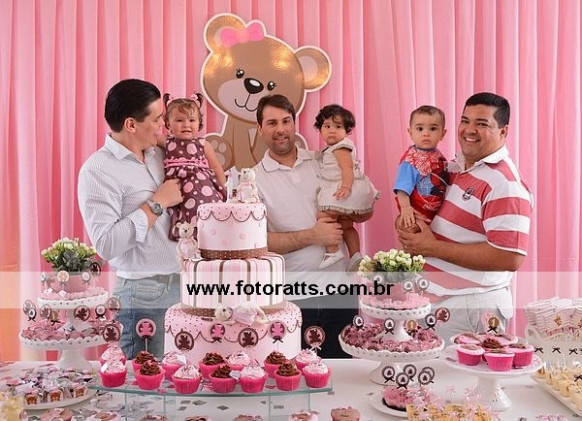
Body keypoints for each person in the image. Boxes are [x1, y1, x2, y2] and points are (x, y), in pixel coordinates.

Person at [397, 92, 533, 341]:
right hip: (437, 303)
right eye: (465, 121)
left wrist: (430, 247)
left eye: (482, 123)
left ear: (503, 131)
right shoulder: (454, 167)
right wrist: (408, 225)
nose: (469, 130)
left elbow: (510, 256)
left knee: (459, 369)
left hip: (469, 307)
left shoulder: (504, 183)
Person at [253, 94, 373, 358]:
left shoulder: (324, 160)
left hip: (341, 294)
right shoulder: (253, 180)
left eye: (286, 121)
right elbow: (256, 244)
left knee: (345, 371)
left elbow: (363, 210)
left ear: (295, 124)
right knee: (294, 374)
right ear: (260, 128)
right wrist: (313, 236)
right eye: (272, 123)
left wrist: (360, 205)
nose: (281, 129)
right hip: (293, 299)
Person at [78, 79, 182, 359]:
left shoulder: (159, 155)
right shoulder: (98, 170)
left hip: (184, 287)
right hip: (143, 294)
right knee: (145, 381)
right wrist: (157, 203)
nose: (162, 126)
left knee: (183, 377)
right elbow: (106, 244)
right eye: (157, 119)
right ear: (131, 124)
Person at [314, 105, 380, 269]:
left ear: (347, 131)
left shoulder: (340, 147)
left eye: (338, 127)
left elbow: (347, 168)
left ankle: (333, 251)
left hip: (344, 187)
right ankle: (356, 255)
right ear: (320, 129)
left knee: (323, 216)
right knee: (347, 226)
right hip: (348, 188)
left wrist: (346, 187)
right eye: (327, 126)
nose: (332, 130)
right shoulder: (332, 149)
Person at [162, 93, 226, 241]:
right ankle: (191, 238)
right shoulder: (166, 141)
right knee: (186, 215)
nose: (186, 124)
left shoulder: (203, 144)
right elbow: (148, 139)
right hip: (179, 190)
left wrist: (224, 188)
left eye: (191, 120)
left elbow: (216, 167)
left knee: (207, 210)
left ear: (199, 123)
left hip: (202, 187)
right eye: (179, 120)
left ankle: (213, 234)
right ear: (168, 124)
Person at [394, 105, 448, 233]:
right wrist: (406, 208)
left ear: (442, 134)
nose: (426, 133)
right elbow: (402, 188)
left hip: (437, 210)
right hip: (416, 210)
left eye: (433, 129)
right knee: (414, 232)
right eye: (420, 129)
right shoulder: (411, 160)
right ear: (411, 133)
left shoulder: (438, 155)